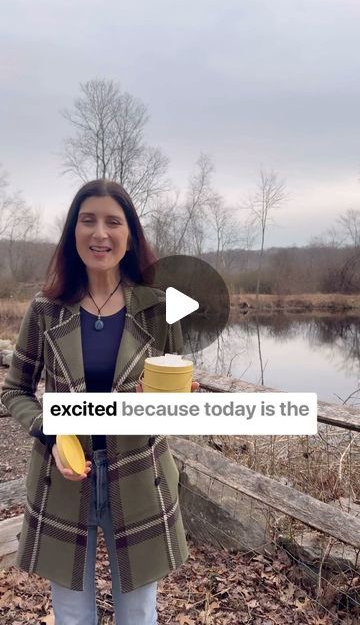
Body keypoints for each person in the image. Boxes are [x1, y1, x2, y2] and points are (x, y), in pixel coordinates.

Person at [1, 179, 199, 625]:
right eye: (87, 221)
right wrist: (50, 432)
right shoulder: (45, 310)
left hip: (141, 476)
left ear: (130, 237)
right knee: (72, 616)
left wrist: (175, 400)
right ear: (74, 233)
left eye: (113, 222)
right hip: (64, 477)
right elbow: (14, 390)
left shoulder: (161, 308)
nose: (100, 233)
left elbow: (172, 397)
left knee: (139, 615)